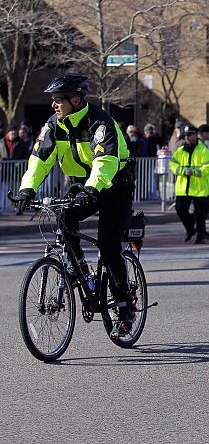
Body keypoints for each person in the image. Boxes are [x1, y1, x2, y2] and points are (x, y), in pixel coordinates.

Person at [12, 73, 136, 337]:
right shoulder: (54, 125)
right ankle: (76, 263)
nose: (53, 105)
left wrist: (92, 189)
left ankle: (125, 308)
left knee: (108, 244)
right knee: (64, 217)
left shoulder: (101, 123)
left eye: (58, 100)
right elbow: (40, 159)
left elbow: (105, 162)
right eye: (53, 100)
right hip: (83, 184)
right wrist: (26, 190)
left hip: (115, 185)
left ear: (76, 100)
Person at [170, 125, 209, 244]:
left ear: (195, 135)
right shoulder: (180, 150)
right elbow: (173, 164)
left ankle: (200, 237)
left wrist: (194, 172)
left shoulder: (203, 150)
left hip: (198, 187)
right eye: (186, 135)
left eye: (190, 135)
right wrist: (182, 171)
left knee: (199, 214)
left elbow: (208, 167)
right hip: (183, 188)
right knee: (180, 209)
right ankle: (190, 229)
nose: (187, 137)